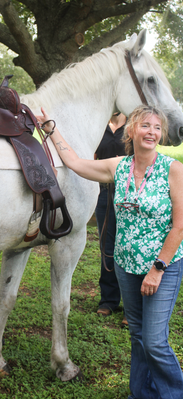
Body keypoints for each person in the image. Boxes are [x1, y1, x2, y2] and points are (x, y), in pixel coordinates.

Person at [37, 105, 183, 399]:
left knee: (154, 342)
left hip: (162, 266)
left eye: (157, 128)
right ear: (131, 131)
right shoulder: (118, 166)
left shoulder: (173, 170)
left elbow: (180, 226)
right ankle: (141, 396)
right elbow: (75, 163)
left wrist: (158, 268)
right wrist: (51, 131)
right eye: (145, 126)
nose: (152, 132)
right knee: (138, 337)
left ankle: (175, 398)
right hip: (125, 266)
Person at [94, 113, 127, 321]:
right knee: (107, 247)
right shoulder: (98, 125)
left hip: (130, 192)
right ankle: (108, 300)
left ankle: (133, 304)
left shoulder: (134, 125)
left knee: (130, 245)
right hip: (105, 192)